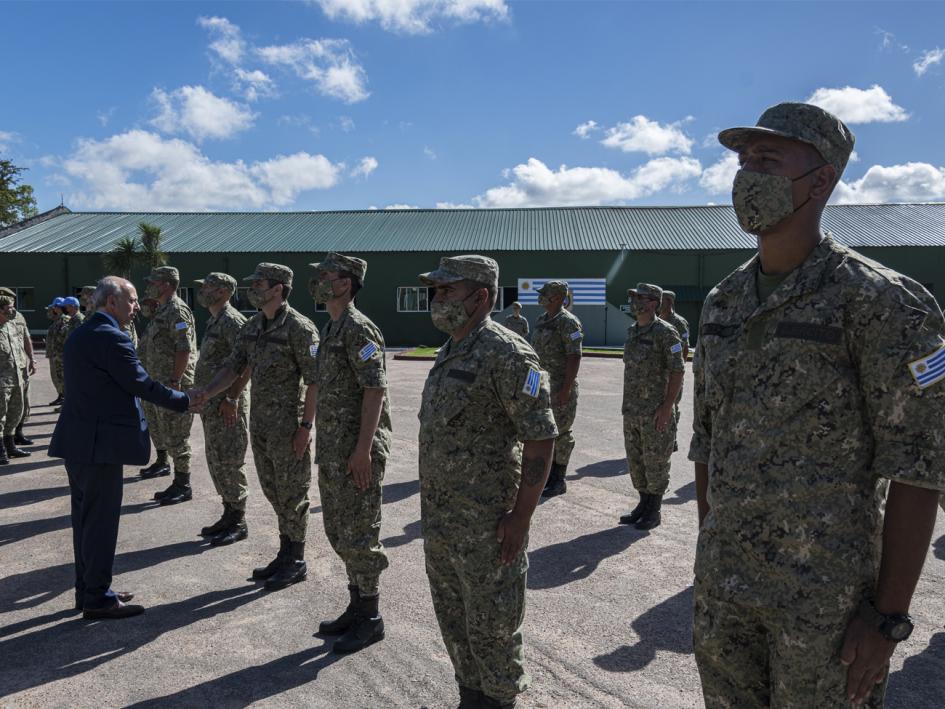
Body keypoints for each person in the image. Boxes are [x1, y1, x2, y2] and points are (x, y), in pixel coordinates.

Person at [690, 102, 945, 708]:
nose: (748, 174)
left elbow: (921, 469)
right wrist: (708, 561)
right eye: (744, 160)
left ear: (822, 179)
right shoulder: (723, 302)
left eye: (768, 159)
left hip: (827, 611)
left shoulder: (884, 303)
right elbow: (707, 443)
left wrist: (888, 619)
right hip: (725, 599)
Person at [418, 255, 558, 709]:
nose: (436, 300)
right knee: (456, 626)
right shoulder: (451, 349)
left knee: (494, 632)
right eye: (435, 291)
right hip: (443, 523)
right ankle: (470, 698)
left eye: (446, 291)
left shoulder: (508, 353)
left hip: (487, 528)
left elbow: (540, 437)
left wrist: (521, 517)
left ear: (480, 296)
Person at [48, 276, 193, 619]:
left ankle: (89, 589)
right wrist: (185, 400)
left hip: (79, 442)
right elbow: (139, 383)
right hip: (99, 447)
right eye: (130, 300)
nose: (137, 306)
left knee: (85, 521)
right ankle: (98, 598)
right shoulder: (111, 336)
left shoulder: (81, 332)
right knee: (99, 523)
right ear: (111, 303)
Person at [191, 263, 319, 591]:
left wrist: (306, 426)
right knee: (275, 492)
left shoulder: (300, 328)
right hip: (262, 426)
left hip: (289, 429)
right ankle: (285, 552)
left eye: (259, 283)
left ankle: (297, 559)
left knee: (294, 494)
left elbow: (316, 381)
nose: (254, 289)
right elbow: (234, 367)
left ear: (278, 288)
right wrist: (207, 392)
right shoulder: (252, 326)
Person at [309, 252, 392, 653]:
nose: (319, 281)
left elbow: (375, 390)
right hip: (334, 448)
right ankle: (357, 607)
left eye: (325, 275)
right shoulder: (332, 327)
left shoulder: (360, 329)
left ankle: (371, 617)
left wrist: (363, 450)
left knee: (361, 533)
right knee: (339, 530)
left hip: (357, 451)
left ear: (345, 282)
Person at [619, 283, 684, 530]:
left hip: (655, 411)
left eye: (640, 298)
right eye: (634, 297)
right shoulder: (632, 331)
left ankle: (653, 511)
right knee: (636, 461)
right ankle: (643, 505)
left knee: (656, 462)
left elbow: (677, 370)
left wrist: (667, 407)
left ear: (654, 303)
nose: (635, 302)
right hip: (632, 410)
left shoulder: (666, 333)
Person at [193, 273, 251, 546]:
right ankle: (228, 513)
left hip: (227, 405)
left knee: (229, 460)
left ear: (225, 292)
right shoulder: (215, 320)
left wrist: (232, 398)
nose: (202, 290)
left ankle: (239, 520)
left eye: (208, 287)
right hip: (212, 405)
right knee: (217, 459)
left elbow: (246, 364)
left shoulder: (233, 322)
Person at [139, 266, 197, 505]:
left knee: (177, 435)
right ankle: (174, 477)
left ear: (165, 284)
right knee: (164, 431)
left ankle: (183, 484)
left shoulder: (177, 311)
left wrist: (175, 380)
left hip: (172, 385)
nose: (149, 286)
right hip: (157, 383)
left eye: (153, 282)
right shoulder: (162, 310)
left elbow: (184, 348)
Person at [530, 280, 583, 497]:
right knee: (544, 432)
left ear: (559, 298)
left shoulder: (569, 323)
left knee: (561, 433)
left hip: (561, 388)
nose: (541, 297)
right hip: (542, 388)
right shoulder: (542, 320)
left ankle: (558, 479)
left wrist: (566, 389)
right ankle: (548, 475)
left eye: (545, 294)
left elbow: (574, 356)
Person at [0, 286, 36, 447]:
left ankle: (11, 442)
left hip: (17, 371)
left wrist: (31, 359)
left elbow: (24, 340)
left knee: (18, 407)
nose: (12, 310)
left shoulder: (13, 322)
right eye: (9, 306)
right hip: (3, 376)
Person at [658, 289, 689, 451]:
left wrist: (678, 370)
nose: (659, 303)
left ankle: (672, 438)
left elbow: (685, 347)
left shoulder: (679, 322)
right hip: (660, 374)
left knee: (673, 405)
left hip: (674, 372)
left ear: (669, 302)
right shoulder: (658, 321)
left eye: (662, 300)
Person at [46, 297, 68, 406]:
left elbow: (64, 337)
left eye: (54, 307)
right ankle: (61, 396)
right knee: (57, 377)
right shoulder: (58, 320)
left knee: (62, 378)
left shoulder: (65, 320)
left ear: (58, 307)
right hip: (56, 354)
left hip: (61, 355)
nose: (53, 309)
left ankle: (64, 399)